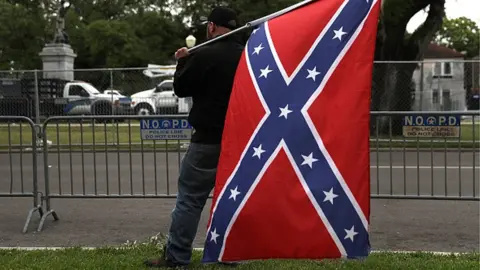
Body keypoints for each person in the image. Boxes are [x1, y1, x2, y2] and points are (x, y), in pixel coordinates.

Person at [144, 6, 245, 269]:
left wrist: (183, 61)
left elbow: (181, 87)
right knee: (229, 198)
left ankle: (177, 257)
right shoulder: (248, 55)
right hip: (240, 141)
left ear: (211, 26)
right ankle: (227, 255)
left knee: (189, 199)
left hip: (207, 139)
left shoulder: (205, 53)